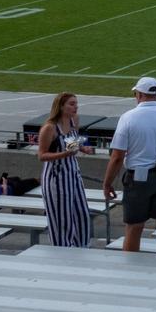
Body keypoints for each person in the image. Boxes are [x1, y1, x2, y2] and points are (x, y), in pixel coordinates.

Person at [102, 77, 156, 254]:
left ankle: (132, 269)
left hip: (139, 177)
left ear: (139, 94)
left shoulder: (128, 117)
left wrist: (107, 182)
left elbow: (117, 156)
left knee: (134, 226)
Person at [36, 92, 94, 247]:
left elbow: (71, 143)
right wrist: (65, 154)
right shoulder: (50, 128)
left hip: (73, 174)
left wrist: (82, 148)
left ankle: (81, 249)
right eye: (71, 104)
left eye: (76, 103)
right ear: (61, 106)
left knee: (82, 216)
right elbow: (42, 155)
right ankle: (62, 253)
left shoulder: (74, 120)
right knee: (62, 221)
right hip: (57, 178)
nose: (76, 107)